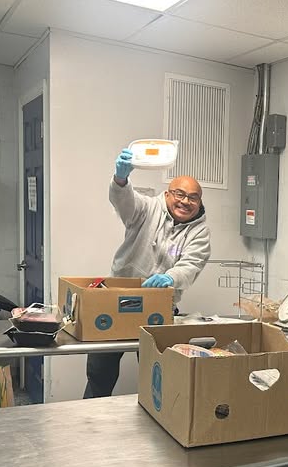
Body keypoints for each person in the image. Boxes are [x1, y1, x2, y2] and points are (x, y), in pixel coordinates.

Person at [83, 148, 211, 398]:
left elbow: (192, 264)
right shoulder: (148, 208)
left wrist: (170, 278)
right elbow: (125, 202)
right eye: (179, 194)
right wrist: (120, 180)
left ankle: (159, 424)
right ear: (167, 194)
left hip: (159, 305)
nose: (185, 201)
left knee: (158, 372)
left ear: (199, 202)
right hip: (117, 299)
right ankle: (91, 422)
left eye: (193, 198)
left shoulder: (200, 232)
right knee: (100, 372)